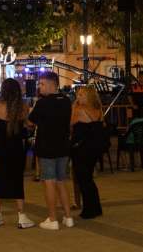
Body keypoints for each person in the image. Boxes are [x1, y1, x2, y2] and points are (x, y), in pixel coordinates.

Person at [26, 72, 74, 229]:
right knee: (61, 181)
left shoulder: (42, 103)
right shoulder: (67, 101)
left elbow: (30, 122)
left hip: (47, 147)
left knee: (49, 183)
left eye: (42, 84)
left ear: (52, 84)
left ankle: (52, 218)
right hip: (63, 147)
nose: (39, 87)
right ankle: (68, 217)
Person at [0, 78, 35, 228]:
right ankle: (21, 216)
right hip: (17, 148)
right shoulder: (22, 106)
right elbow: (28, 125)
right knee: (17, 179)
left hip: (1, 147)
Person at [70, 85, 105, 218]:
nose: (78, 97)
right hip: (94, 147)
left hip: (81, 147)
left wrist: (74, 106)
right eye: (77, 94)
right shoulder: (98, 109)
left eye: (81, 95)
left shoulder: (80, 109)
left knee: (83, 178)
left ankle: (89, 210)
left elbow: (71, 123)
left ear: (88, 96)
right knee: (88, 177)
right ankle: (95, 207)